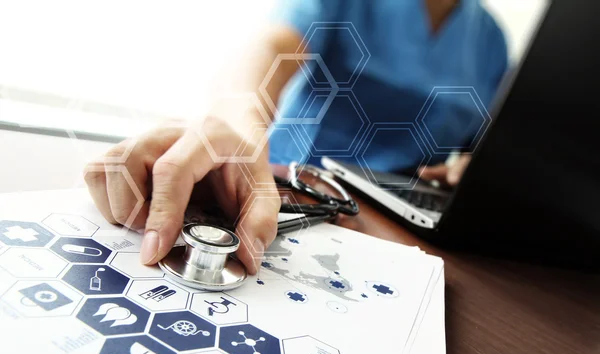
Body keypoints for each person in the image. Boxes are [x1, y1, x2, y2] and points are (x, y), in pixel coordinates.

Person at [84, 0, 507, 274]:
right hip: (296, 194)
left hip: (411, 226)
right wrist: (239, 115)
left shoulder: (492, 40)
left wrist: (473, 165)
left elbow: (480, 142)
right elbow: (271, 46)